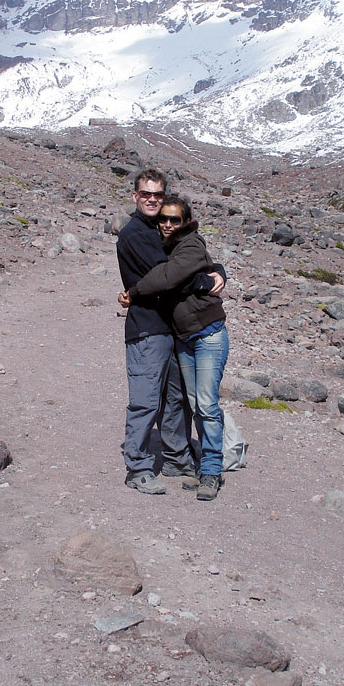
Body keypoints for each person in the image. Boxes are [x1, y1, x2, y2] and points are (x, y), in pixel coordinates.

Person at [116, 169, 224, 495]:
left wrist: (215, 267)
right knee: (146, 402)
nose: (152, 199)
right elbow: (168, 276)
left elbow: (188, 259)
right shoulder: (135, 234)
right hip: (147, 330)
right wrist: (208, 279)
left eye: (158, 195)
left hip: (171, 330)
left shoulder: (159, 230)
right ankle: (137, 468)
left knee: (176, 399)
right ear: (135, 197)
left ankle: (177, 457)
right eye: (146, 194)